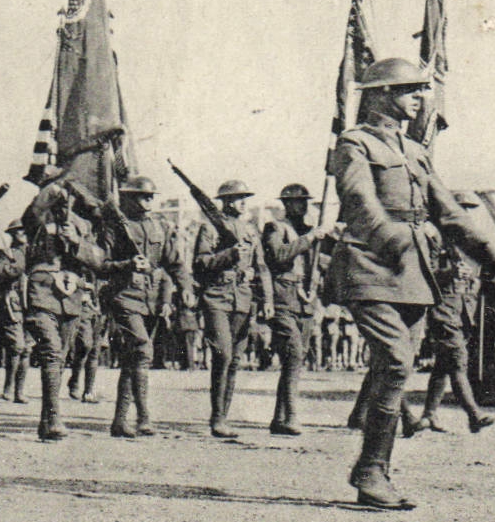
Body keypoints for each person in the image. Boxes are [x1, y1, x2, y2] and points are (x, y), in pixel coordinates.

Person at [323, 58, 495, 510]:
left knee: (398, 367)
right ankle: (370, 470)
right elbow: (357, 198)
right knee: (392, 359)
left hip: (413, 273)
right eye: (409, 89)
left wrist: (494, 255)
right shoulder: (354, 143)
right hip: (369, 264)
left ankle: (375, 470)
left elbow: (447, 211)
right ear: (381, 93)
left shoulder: (413, 151)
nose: (419, 98)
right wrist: (391, 237)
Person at [96, 175, 189, 437]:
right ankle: (144, 416)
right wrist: (127, 265)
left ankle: (119, 421)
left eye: (150, 196)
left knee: (132, 359)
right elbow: (100, 265)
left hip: (151, 299)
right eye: (142, 196)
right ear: (127, 197)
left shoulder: (160, 227)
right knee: (142, 349)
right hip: (124, 296)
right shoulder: (114, 227)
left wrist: (186, 288)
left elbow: (175, 262)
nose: (148, 201)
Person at [18, 169, 105, 440]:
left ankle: (46, 421)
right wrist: (52, 187)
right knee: (53, 353)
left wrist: (76, 243)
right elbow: (32, 214)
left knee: (62, 356)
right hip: (42, 291)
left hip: (71, 296)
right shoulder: (37, 219)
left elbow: (97, 259)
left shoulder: (82, 225)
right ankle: (54, 417)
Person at [409, 192, 495, 434]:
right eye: (461, 209)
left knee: (444, 365)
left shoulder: (467, 242)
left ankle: (429, 415)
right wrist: (451, 273)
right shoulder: (436, 237)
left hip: (464, 311)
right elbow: (426, 273)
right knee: (457, 362)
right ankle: (474, 414)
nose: (465, 215)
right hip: (443, 309)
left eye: (468, 210)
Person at [193, 179, 273, 438]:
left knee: (235, 360)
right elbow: (200, 263)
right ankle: (216, 418)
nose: (243, 203)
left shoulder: (250, 230)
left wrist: (267, 300)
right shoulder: (209, 227)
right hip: (217, 297)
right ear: (225, 201)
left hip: (243, 298)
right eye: (238, 198)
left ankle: (223, 419)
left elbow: (261, 267)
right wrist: (229, 255)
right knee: (223, 355)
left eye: (244, 198)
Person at [261, 183, 334, 435]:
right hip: (282, 299)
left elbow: (321, 262)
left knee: (297, 358)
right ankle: (291, 416)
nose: (301, 206)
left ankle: (279, 418)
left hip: (305, 301)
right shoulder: (275, 228)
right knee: (292, 355)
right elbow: (280, 256)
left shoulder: (310, 232)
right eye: (295, 202)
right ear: (285, 204)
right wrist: (311, 238)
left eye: (304, 201)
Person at [0, 223, 30, 402]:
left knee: (27, 349)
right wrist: (16, 267)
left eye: (24, 230)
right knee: (17, 346)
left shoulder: (35, 253)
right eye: (18, 231)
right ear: (12, 234)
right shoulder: (5, 253)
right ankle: (9, 386)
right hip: (12, 304)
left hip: (32, 304)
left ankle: (19, 391)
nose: (22, 233)